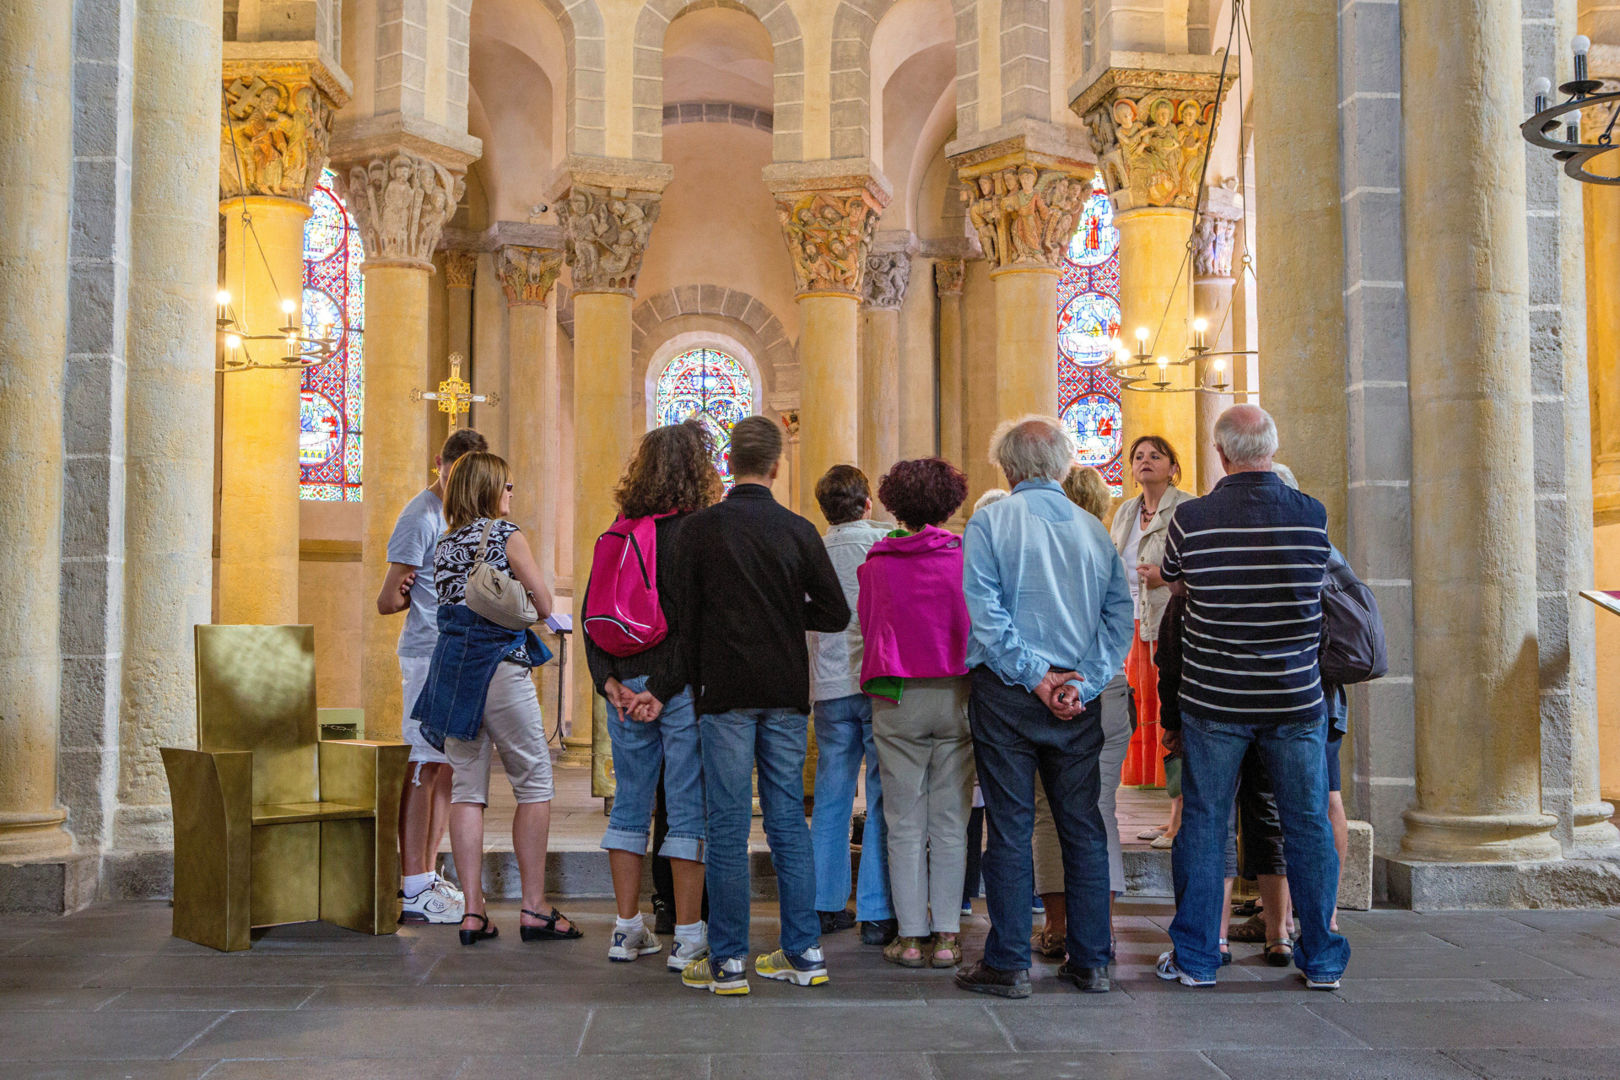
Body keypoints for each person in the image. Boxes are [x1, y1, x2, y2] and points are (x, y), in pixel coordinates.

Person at [1154, 405, 1350, 990]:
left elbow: (1171, 577)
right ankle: (1321, 961)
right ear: (1273, 445)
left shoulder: (1192, 517)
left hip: (1215, 698)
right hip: (1293, 697)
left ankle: (1195, 959)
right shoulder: (1310, 514)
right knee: (1307, 824)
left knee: (1205, 824)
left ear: (1220, 454)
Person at [954, 417, 1133, 998]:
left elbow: (985, 613)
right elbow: (1118, 619)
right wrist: (1081, 683)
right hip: (1075, 698)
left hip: (1009, 693)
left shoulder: (990, 521)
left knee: (1009, 826)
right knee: (1082, 825)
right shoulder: (1093, 529)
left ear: (1007, 470)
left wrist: (1037, 678)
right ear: (1061, 466)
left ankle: (1007, 964)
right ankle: (1093, 961)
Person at [674, 416, 851, 996]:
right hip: (783, 692)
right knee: (786, 825)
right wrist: (781, 613)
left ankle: (727, 963)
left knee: (725, 826)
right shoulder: (798, 530)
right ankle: (803, 952)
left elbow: (681, 617)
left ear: (730, 462)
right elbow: (835, 614)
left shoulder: (699, 530)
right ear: (777, 466)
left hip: (722, 692)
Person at [413, 451, 579, 947]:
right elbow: (544, 606)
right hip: (498, 667)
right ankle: (533, 907)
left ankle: (472, 912)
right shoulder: (507, 536)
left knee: (466, 788)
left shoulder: (443, 544)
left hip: (451, 670)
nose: (512, 494)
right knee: (533, 780)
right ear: (488, 490)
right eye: (506, 486)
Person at [582, 421, 718, 969]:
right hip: (675, 689)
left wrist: (609, 683)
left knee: (630, 808)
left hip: (624, 689)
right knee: (687, 810)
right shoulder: (696, 532)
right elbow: (695, 624)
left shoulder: (617, 530)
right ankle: (688, 937)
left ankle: (625, 929)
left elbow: (594, 616)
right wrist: (662, 690)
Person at [857, 458, 973, 969]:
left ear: (893, 503)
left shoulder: (877, 561)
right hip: (956, 693)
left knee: (903, 820)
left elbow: (868, 625)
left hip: (897, 693)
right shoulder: (965, 557)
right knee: (951, 819)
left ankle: (909, 938)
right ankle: (947, 937)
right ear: (951, 503)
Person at [376, 427, 487, 925]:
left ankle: (429, 871)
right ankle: (412, 878)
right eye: (455, 470)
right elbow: (387, 600)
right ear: (439, 462)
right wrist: (401, 589)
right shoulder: (419, 516)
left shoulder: (461, 517)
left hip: (454, 652)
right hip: (425, 653)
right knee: (423, 763)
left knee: (445, 765)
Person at [1031, 465, 1135, 961]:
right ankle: (1101, 930)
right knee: (1100, 811)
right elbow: (1120, 627)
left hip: (1050, 690)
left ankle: (1056, 927)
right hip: (1106, 687)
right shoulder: (1107, 552)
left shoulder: (1039, 555)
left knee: (1049, 814)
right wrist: (1091, 682)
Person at [807, 465, 897, 946]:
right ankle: (878, 913)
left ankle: (823, 904)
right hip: (879, 680)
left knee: (832, 794)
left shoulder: (813, 550)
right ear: (867, 504)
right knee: (882, 795)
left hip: (829, 683)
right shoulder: (882, 543)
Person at [1110, 436, 1194, 825]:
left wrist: (1167, 577)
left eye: (1155, 456)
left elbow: (1199, 568)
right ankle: (1143, 789)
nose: (1145, 461)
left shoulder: (1189, 507)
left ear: (1173, 467)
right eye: (1139, 456)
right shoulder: (1126, 510)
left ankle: (1176, 807)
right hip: (1129, 621)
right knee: (1137, 709)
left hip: (1171, 621)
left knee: (1169, 709)